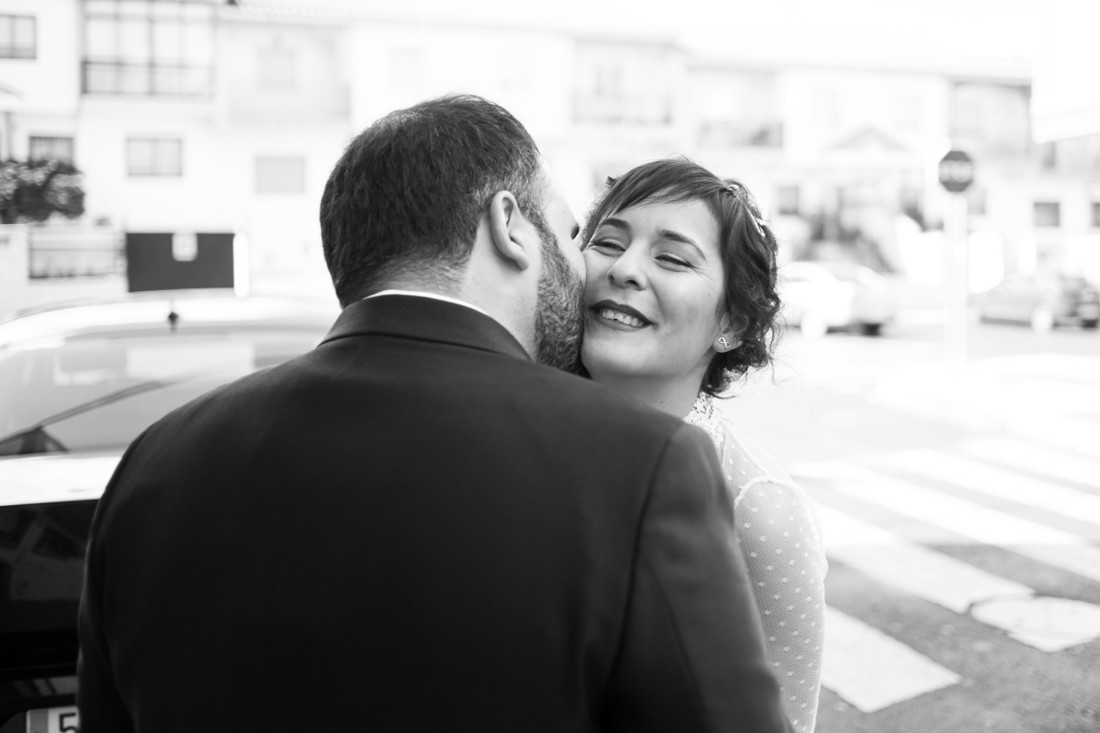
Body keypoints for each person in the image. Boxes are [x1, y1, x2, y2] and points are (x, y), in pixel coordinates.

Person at [77, 95, 795, 733]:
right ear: (510, 225)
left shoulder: (154, 462)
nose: (590, 270)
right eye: (578, 235)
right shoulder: (639, 464)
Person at [580, 158, 827, 733]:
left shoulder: (760, 512)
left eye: (671, 258)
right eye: (608, 243)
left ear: (734, 322)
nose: (625, 269)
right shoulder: (524, 433)